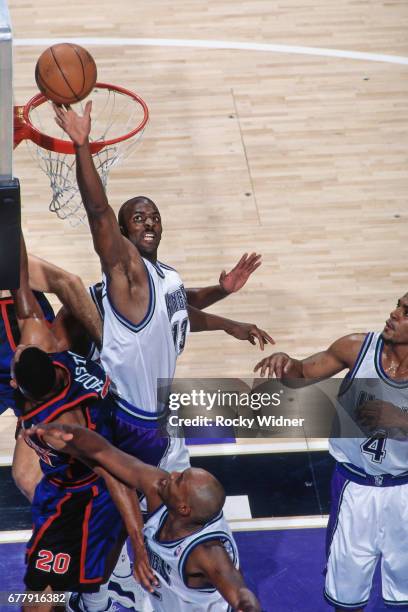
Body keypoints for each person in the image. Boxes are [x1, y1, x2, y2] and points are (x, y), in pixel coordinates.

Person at [54, 102, 273, 606]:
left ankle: (172, 581)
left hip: (161, 409)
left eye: (153, 214)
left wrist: (224, 306)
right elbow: (98, 214)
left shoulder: (163, 276)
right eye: (137, 217)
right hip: (130, 418)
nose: (147, 219)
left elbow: (181, 307)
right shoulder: (126, 273)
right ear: (125, 237)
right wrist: (82, 145)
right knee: (124, 509)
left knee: (183, 507)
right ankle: (99, 587)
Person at [9, 232, 151, 612]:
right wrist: (9, 211)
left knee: (36, 601)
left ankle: (110, 577)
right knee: (74, 581)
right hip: (72, 479)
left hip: (81, 500)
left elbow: (113, 475)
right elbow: (23, 291)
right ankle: (96, 594)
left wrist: (138, 546)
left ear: (32, 399)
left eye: (13, 380)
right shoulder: (53, 352)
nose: (9, 380)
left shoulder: (63, 431)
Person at [254, 296, 408, 612]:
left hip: (404, 490)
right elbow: (301, 373)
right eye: (398, 305)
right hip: (354, 488)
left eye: (407, 312)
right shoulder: (356, 348)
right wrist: (285, 364)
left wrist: (400, 419)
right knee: (346, 597)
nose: (394, 313)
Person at [25, 421, 262, 612]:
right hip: (161, 602)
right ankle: (98, 598)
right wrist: (71, 432)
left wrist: (246, 606)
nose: (174, 473)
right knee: (113, 507)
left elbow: (239, 590)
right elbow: (105, 452)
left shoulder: (207, 552)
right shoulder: (159, 488)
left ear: (183, 508)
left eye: (180, 480)